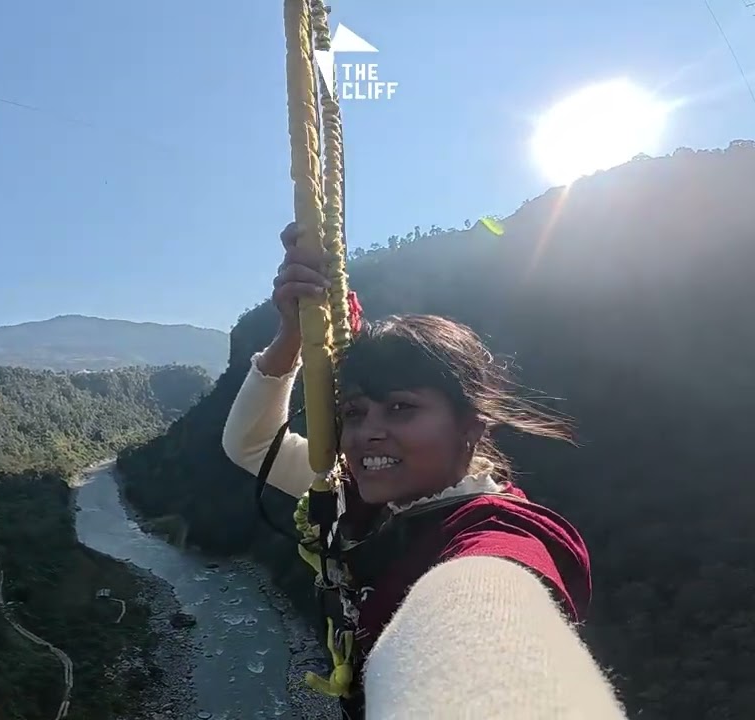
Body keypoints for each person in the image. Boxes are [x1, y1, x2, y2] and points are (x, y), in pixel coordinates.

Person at [222, 221, 628, 719]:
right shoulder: (365, 497)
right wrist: (290, 336)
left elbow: (487, 615)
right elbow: (251, 444)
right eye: (354, 412)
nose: (367, 432)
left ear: (470, 427)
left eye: (400, 408)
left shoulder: (494, 537)